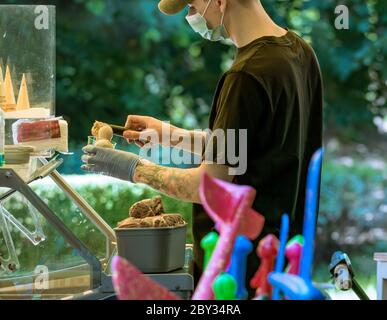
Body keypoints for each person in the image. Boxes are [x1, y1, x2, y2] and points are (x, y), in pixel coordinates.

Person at [82, 0, 323, 299]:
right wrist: (170, 136)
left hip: (237, 277)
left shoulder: (245, 77)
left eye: (192, 6)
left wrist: (133, 168)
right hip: (283, 263)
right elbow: (247, 151)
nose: (191, 16)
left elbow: (206, 186)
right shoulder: (298, 52)